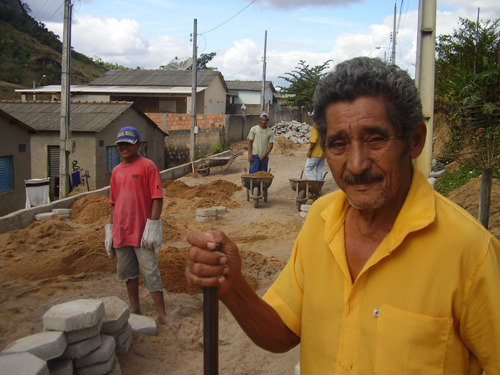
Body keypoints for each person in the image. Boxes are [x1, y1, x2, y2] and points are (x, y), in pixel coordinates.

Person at [185, 57, 500, 374]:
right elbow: (283, 333)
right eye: (338, 144)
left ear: (415, 140)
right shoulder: (321, 219)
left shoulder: (470, 251)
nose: (357, 164)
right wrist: (232, 285)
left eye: (375, 139)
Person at [105, 126, 176, 328]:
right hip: (121, 231)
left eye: (128, 143)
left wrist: (153, 226)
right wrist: (110, 230)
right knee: (129, 274)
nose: (124, 147)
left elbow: (157, 198)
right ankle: (135, 308)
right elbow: (113, 202)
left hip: (142, 232)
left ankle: (161, 314)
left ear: (138, 145)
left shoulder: (148, 167)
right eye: (120, 144)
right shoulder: (117, 171)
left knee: (151, 273)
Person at [304, 113, 325, 180]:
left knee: (308, 169)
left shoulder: (315, 127)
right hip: (323, 153)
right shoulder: (324, 127)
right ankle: (318, 187)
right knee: (319, 170)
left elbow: (313, 141)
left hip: (315, 153)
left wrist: (310, 151)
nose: (311, 119)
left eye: (312, 117)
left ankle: (314, 184)